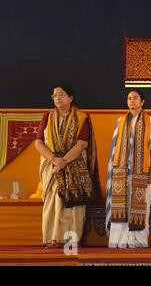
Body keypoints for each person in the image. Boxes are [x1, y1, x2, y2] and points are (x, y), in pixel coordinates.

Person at [35, 84, 100, 248]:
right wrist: (54, 160)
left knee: (71, 203)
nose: (57, 98)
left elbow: (82, 144)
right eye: (54, 95)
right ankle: (51, 238)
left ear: (71, 98)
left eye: (61, 94)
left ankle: (69, 240)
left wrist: (63, 161)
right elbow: (38, 142)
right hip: (52, 166)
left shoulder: (82, 117)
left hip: (74, 166)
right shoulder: (47, 117)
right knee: (52, 201)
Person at [105, 89, 151, 248]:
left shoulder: (149, 121)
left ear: (142, 101)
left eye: (135, 98)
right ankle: (118, 242)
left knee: (140, 207)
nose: (131, 101)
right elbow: (114, 150)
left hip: (142, 172)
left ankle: (137, 242)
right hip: (121, 173)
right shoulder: (121, 121)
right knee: (122, 206)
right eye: (129, 98)